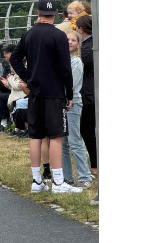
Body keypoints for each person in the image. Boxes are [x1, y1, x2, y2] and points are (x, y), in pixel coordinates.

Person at [9, 0, 83, 194]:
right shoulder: (59, 36)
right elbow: (66, 68)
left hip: (35, 91)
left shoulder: (29, 34)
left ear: (38, 13)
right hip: (55, 91)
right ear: (56, 14)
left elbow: (15, 59)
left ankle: (36, 181)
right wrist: (69, 93)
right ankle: (58, 182)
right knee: (56, 136)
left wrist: (28, 77)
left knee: (36, 135)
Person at [58, 28, 92, 188]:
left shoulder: (76, 62)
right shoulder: (61, 60)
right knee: (63, 142)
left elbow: (71, 85)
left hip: (73, 103)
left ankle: (85, 177)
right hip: (60, 103)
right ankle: (67, 178)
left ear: (78, 44)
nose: (69, 42)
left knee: (74, 141)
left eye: (73, 40)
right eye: (67, 40)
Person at [76, 15, 96, 177]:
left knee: (87, 130)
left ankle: (95, 166)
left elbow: (83, 62)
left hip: (89, 94)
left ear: (81, 30)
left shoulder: (89, 47)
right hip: (90, 93)